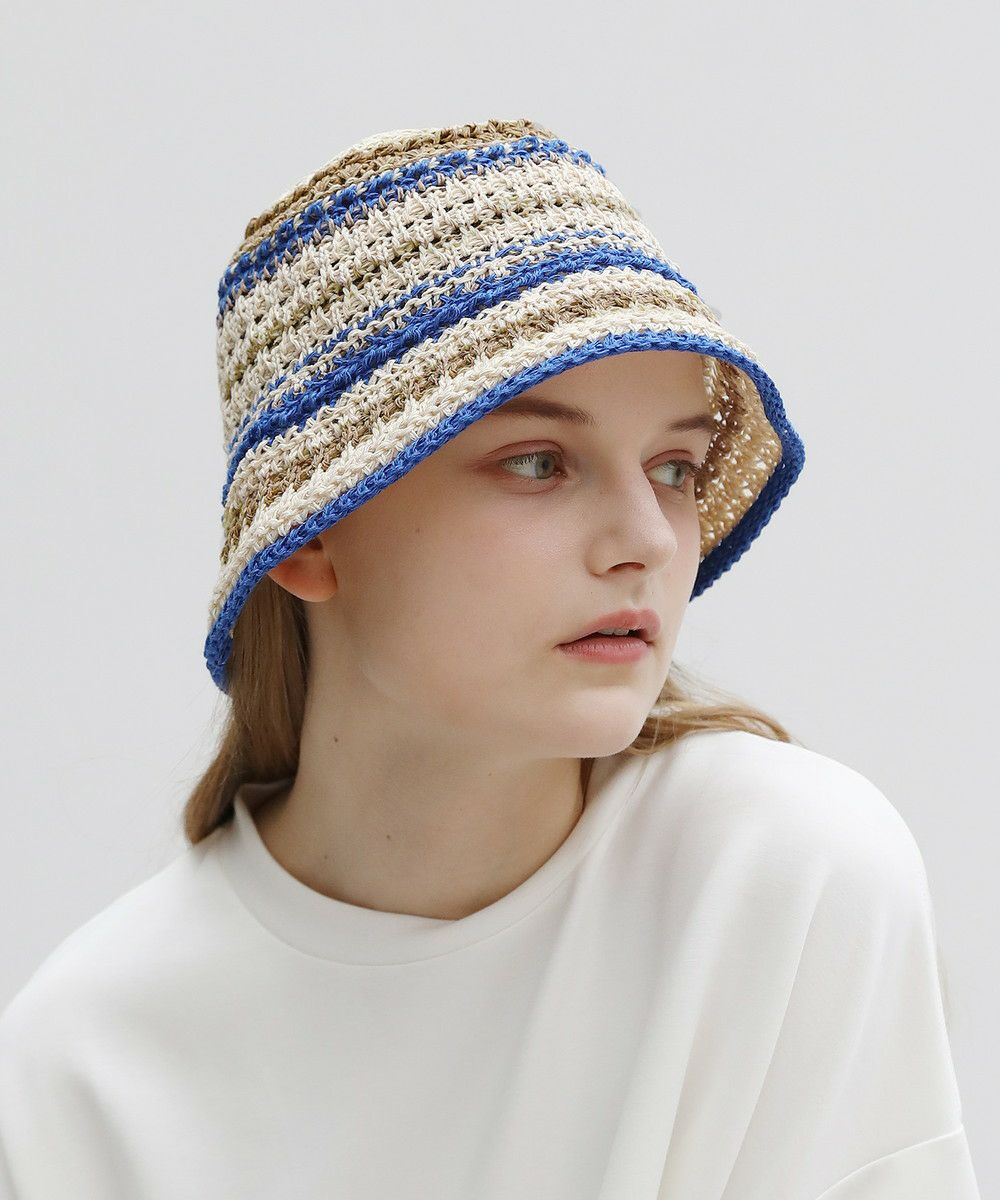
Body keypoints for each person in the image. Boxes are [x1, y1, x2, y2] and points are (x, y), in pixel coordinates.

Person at [0, 117, 980, 1199]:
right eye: (537, 462)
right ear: (312, 535)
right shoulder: (77, 1067)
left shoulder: (776, 874)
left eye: (673, 468)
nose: (649, 541)